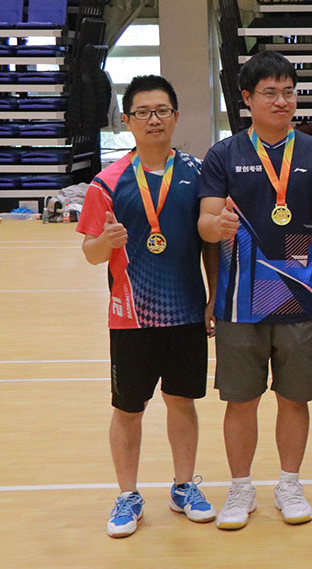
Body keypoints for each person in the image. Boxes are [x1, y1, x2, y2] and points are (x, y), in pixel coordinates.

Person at [197, 51, 312, 530]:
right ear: (247, 98)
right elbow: (206, 221)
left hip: (300, 290)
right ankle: (241, 488)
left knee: (294, 397)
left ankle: (289, 483)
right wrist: (217, 226)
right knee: (241, 399)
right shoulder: (224, 155)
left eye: (289, 92)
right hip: (239, 295)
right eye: (270, 93)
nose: (282, 101)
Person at [78, 75, 217, 537]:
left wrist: (214, 297)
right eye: (142, 112)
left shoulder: (200, 174)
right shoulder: (107, 182)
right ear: (127, 120)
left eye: (161, 111)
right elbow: (91, 253)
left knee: (182, 402)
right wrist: (106, 241)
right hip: (130, 317)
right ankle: (127, 495)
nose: (153, 119)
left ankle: (184, 486)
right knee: (128, 409)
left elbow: (211, 244)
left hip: (186, 313)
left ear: (175, 117)